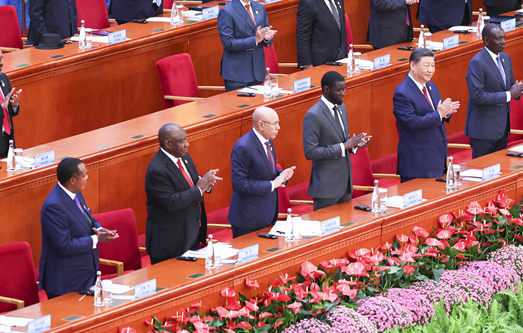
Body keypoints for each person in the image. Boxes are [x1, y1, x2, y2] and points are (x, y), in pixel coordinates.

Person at [39, 157, 117, 297]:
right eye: (84, 175)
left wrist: (99, 229)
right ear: (72, 180)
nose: (87, 178)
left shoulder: (74, 192)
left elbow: (87, 217)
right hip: (66, 281)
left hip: (84, 275)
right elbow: (64, 245)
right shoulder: (54, 206)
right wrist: (96, 239)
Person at [144, 124, 221, 263]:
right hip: (170, 242)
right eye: (181, 141)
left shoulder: (184, 157)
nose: (187, 144)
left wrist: (207, 185)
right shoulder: (157, 170)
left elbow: (191, 182)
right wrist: (199, 189)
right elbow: (171, 202)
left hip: (190, 233)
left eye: (186, 139)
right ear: (168, 144)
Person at [303, 71, 371, 210]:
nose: (342, 93)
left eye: (344, 89)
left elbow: (343, 140)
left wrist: (355, 144)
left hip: (345, 184)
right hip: (326, 188)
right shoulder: (313, 115)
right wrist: (343, 146)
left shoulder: (342, 108)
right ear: (326, 89)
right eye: (339, 90)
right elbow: (310, 152)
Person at [392, 48, 460, 182]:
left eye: (433, 65)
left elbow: (437, 113)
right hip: (417, 164)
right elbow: (412, 123)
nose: (431, 70)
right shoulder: (402, 93)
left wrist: (445, 113)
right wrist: (439, 114)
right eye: (426, 65)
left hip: (436, 158)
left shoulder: (431, 87)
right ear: (413, 65)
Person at [465, 24, 523, 158]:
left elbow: (509, 86)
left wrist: (519, 89)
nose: (503, 41)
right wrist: (510, 94)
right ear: (486, 40)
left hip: (502, 127)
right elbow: (478, 96)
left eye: (504, 37)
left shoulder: (505, 58)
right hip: (483, 130)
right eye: (498, 38)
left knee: (500, 166)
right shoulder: (477, 62)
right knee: (483, 168)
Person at [228, 107, 296, 237]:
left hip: (266, 215)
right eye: (275, 123)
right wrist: (273, 184)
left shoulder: (267, 140)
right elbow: (239, 184)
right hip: (248, 220)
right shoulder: (243, 147)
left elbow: (266, 170)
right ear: (261, 125)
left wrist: (281, 175)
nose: (278, 127)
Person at [217, 0, 277, 91]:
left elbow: (264, 36)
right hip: (237, 74)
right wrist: (255, 40)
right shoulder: (227, 12)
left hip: (257, 71)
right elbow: (228, 43)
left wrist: (266, 39)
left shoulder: (260, 8)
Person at [296, 0, 347, 69]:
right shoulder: (308, 3)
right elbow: (302, 36)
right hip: (320, 61)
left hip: (340, 58)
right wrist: (306, 64)